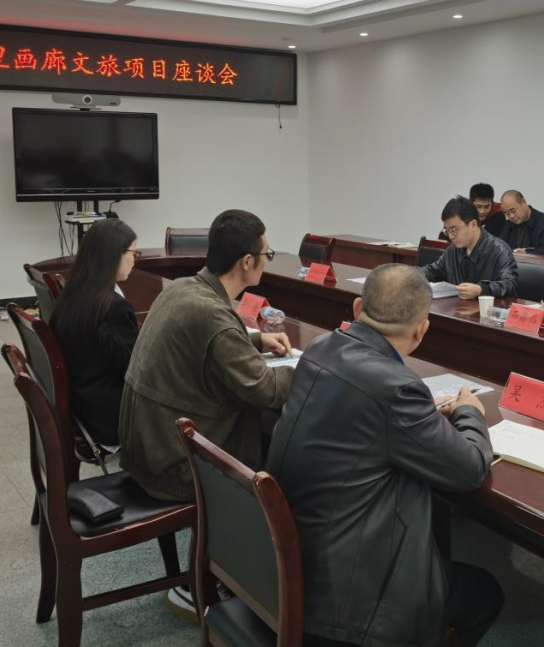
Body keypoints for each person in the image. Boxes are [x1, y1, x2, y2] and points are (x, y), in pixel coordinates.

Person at [267, 264, 502, 647]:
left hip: (297, 557)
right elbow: (470, 468)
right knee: (485, 593)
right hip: (351, 601)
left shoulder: (321, 348)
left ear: (357, 308)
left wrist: (422, 419)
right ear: (421, 329)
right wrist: (469, 411)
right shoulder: (397, 387)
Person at [118, 209, 295, 502]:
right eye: (267, 253)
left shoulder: (181, 287)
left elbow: (202, 344)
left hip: (147, 451)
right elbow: (267, 389)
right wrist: (311, 369)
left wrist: (256, 339)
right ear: (247, 262)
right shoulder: (212, 314)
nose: (267, 260)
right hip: (175, 469)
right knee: (285, 446)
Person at [49, 218, 139, 447]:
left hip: (84, 403)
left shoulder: (75, 292)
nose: (134, 261)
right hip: (110, 417)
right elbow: (136, 371)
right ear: (114, 255)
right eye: (133, 253)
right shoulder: (113, 307)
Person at [421, 196, 518, 299]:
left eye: (454, 230)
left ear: (473, 225)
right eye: (447, 231)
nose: (450, 236)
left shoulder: (500, 250)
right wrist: (411, 274)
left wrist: (481, 289)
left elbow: (510, 284)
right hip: (458, 307)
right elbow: (433, 270)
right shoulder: (453, 250)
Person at [495, 189, 544, 256]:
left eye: (513, 211)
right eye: (507, 214)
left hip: (534, 262)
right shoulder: (508, 224)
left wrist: (527, 253)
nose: (511, 216)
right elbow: (500, 246)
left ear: (523, 202)